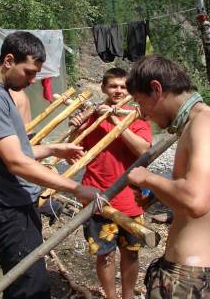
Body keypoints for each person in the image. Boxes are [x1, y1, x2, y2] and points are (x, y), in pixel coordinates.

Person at [0, 31, 98, 299]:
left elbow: (15, 152)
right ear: (8, 60)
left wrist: (51, 149)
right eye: (28, 72)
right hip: (11, 210)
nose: (31, 80)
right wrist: (75, 188)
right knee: (30, 290)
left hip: (17, 204)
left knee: (24, 285)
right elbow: (15, 162)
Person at [124, 54, 210, 298]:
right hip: (190, 275)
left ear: (156, 89)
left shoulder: (205, 124)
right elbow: (206, 190)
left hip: (190, 280)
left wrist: (147, 178)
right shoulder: (198, 123)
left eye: (140, 102)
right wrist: (158, 193)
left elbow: (196, 202)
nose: (143, 115)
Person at [69, 67, 152, 299]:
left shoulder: (136, 116)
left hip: (129, 201)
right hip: (96, 196)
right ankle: (110, 296)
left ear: (130, 90)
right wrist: (76, 127)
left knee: (131, 253)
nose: (118, 90)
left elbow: (143, 151)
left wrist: (115, 118)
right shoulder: (92, 118)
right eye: (113, 86)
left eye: (123, 87)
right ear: (104, 88)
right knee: (104, 255)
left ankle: (127, 296)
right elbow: (73, 151)